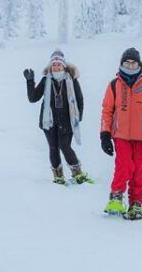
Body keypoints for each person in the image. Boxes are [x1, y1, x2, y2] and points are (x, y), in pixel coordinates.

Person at [99, 47, 142, 220]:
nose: (130, 65)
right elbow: (107, 111)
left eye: (133, 62)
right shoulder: (114, 85)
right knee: (124, 166)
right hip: (120, 135)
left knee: (138, 172)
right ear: (121, 63)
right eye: (127, 62)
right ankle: (116, 197)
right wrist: (104, 134)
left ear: (139, 63)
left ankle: (136, 203)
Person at [23, 50, 92, 185]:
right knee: (53, 147)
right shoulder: (45, 81)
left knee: (65, 146)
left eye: (58, 64)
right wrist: (30, 81)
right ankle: (58, 176)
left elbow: (79, 100)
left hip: (67, 121)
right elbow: (33, 98)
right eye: (53, 64)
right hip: (49, 122)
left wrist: (78, 118)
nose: (56, 67)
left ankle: (78, 173)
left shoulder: (72, 80)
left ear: (64, 66)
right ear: (50, 66)